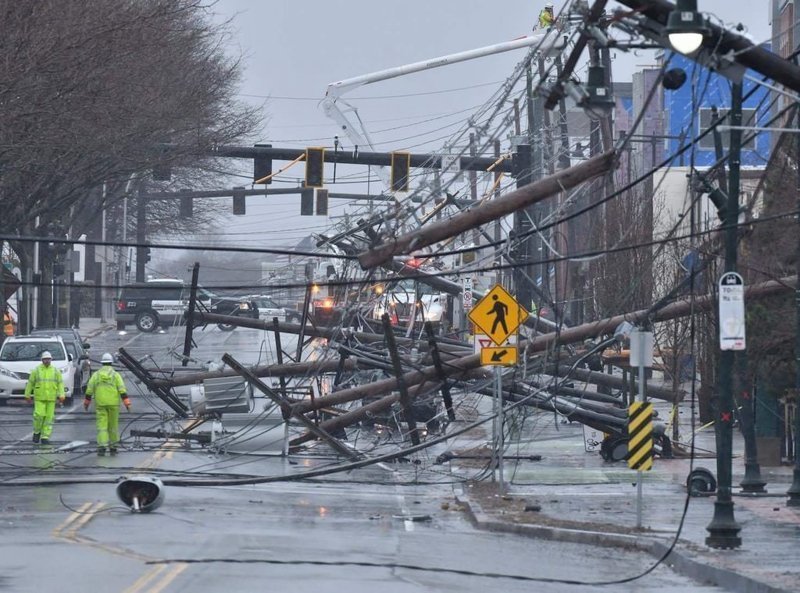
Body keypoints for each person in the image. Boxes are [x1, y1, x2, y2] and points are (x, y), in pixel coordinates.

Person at [84, 352, 130, 456]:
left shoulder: (96, 375)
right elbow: (122, 390)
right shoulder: (115, 375)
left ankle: (102, 446)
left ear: (102, 363)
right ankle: (113, 446)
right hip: (113, 404)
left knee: (102, 426)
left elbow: (89, 390)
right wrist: (127, 404)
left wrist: (86, 403)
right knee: (113, 426)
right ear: (111, 363)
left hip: (100, 404)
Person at [24, 351, 66, 444]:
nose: (47, 361)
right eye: (45, 359)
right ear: (42, 360)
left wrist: (62, 395)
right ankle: (37, 432)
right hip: (40, 397)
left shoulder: (55, 371)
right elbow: (30, 383)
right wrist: (27, 395)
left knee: (49, 418)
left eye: (48, 359)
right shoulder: (36, 370)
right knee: (39, 415)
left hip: (51, 398)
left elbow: (60, 383)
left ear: (51, 360)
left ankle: (45, 436)